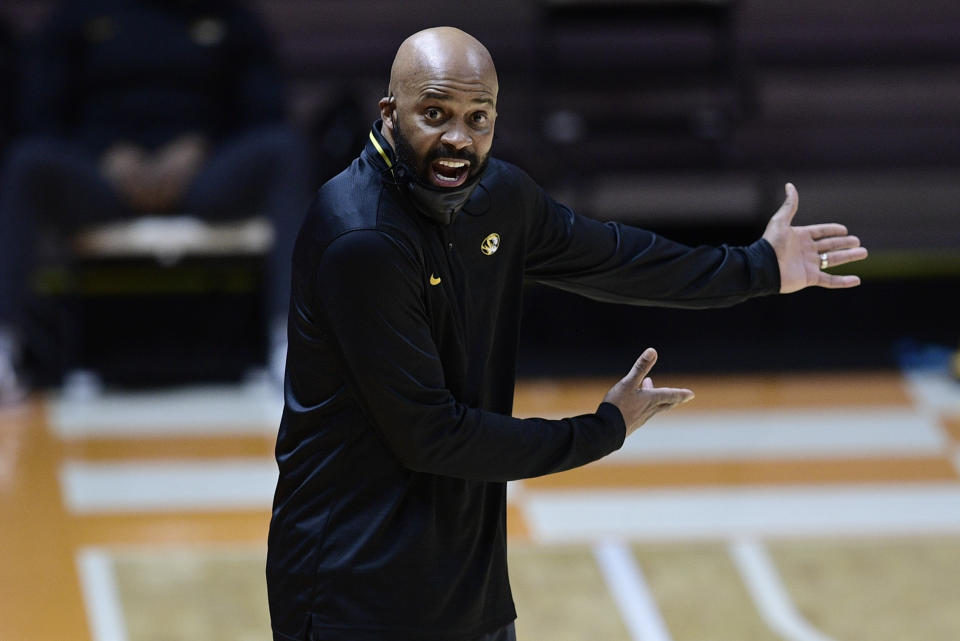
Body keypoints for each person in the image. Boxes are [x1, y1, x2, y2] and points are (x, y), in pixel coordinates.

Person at [266, 26, 867, 641]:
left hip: (465, 590)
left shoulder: (497, 198)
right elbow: (433, 437)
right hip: (348, 594)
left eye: (478, 117)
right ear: (390, 114)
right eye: (435, 114)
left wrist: (758, 268)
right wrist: (602, 430)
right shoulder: (361, 239)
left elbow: (614, 257)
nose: (458, 139)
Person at [0, 0, 310, 404]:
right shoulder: (78, 14)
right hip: (101, 178)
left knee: (285, 151)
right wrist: (102, 153)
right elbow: (38, 112)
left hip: (204, 176)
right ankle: (7, 348)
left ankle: (290, 350)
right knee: (28, 162)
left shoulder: (231, 16)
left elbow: (268, 110)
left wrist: (202, 147)